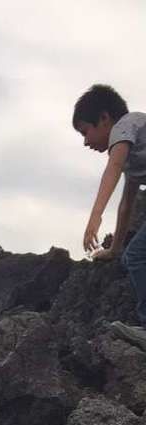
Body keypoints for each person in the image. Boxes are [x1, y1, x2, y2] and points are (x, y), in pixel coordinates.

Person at [73, 83, 146, 351]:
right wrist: (114, 250)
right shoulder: (134, 154)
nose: (85, 141)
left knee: (138, 256)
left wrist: (95, 217)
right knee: (132, 255)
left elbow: (113, 167)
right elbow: (127, 204)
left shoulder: (127, 124)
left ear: (104, 118)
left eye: (85, 131)